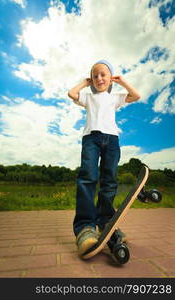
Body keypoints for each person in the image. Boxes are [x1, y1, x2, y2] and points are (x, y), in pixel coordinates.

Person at [68, 59, 140, 256]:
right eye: (95, 75)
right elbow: (71, 94)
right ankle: (85, 227)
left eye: (103, 75)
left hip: (112, 139)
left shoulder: (115, 97)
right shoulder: (88, 97)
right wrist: (85, 82)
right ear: (91, 80)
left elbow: (136, 95)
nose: (99, 78)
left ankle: (106, 221)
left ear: (110, 79)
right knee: (88, 177)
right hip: (91, 138)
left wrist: (121, 81)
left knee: (109, 180)